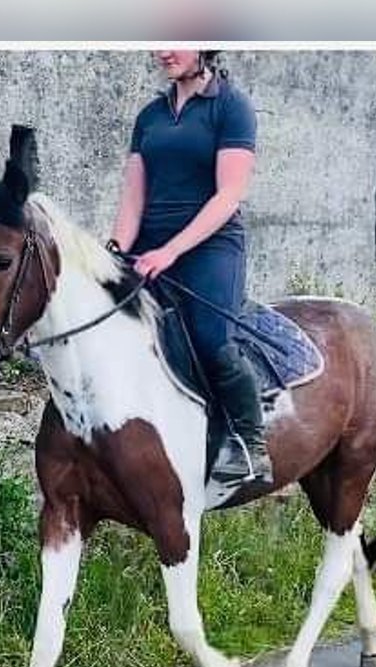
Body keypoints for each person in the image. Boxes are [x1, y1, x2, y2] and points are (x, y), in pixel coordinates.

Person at [107, 48, 273, 487]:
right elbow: (133, 198)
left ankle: (250, 443)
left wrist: (172, 251)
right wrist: (115, 250)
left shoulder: (231, 107)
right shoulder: (149, 116)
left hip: (210, 246)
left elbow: (228, 196)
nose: (162, 50)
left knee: (210, 338)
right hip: (148, 247)